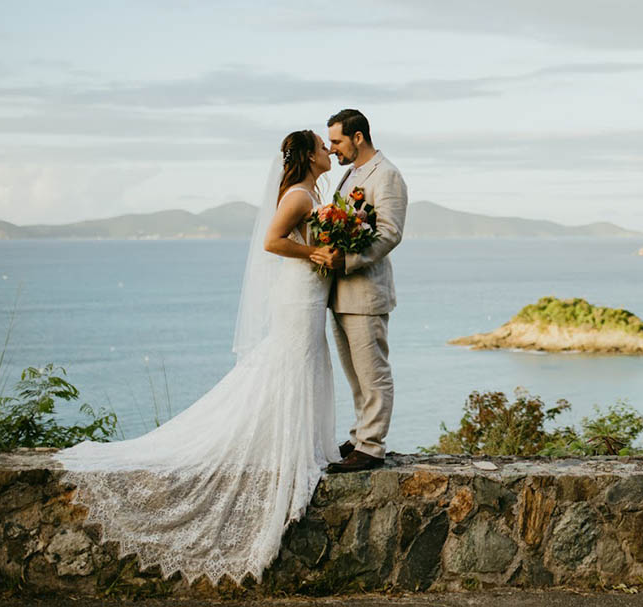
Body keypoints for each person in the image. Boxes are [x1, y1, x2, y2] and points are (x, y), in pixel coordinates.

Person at [54, 130, 339, 586]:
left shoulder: (312, 193)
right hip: (298, 294)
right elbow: (272, 241)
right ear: (308, 157)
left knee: (305, 361)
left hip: (308, 292)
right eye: (322, 147)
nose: (329, 151)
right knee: (289, 363)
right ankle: (285, 444)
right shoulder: (301, 195)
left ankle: (305, 441)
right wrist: (315, 251)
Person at [311, 109, 407, 473]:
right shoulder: (349, 175)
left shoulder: (387, 175)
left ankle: (371, 447)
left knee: (373, 373)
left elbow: (389, 233)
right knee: (355, 375)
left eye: (336, 141)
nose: (332, 149)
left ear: (358, 137)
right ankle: (359, 435)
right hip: (340, 294)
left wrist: (347, 260)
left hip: (366, 292)